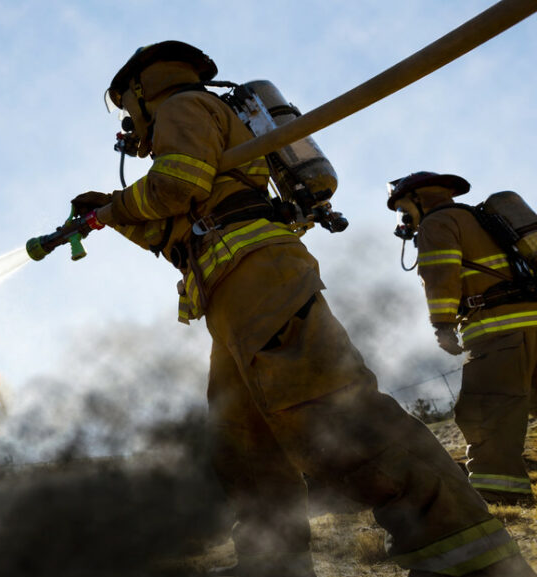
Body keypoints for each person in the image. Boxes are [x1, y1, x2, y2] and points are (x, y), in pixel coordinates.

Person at [70, 41, 536, 577]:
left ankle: (467, 558)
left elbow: (175, 186)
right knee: (244, 445)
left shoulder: (180, 106)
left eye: (126, 105)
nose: (129, 120)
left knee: (335, 412)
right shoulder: (201, 126)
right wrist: (109, 213)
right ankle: (272, 563)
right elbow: (177, 231)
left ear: (139, 89)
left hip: (261, 283)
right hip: (232, 301)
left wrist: (115, 205)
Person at [387, 171, 537, 506]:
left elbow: (440, 275)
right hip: (532, 319)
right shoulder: (483, 219)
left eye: (403, 209)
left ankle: (501, 495)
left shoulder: (437, 224)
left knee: (485, 411)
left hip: (500, 331)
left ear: (419, 199)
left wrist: (442, 325)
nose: (404, 219)